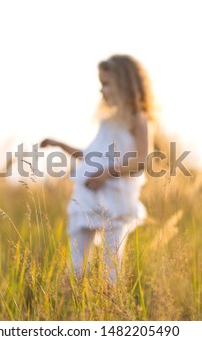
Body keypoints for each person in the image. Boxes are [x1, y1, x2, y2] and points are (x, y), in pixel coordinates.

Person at [40, 55, 154, 283]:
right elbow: (92, 156)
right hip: (86, 198)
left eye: (107, 84)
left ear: (125, 84)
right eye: (101, 84)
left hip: (115, 200)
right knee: (76, 267)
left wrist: (107, 173)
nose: (102, 91)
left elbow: (142, 160)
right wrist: (61, 145)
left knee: (111, 266)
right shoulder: (108, 121)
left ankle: (110, 309)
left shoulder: (138, 119)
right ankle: (71, 311)